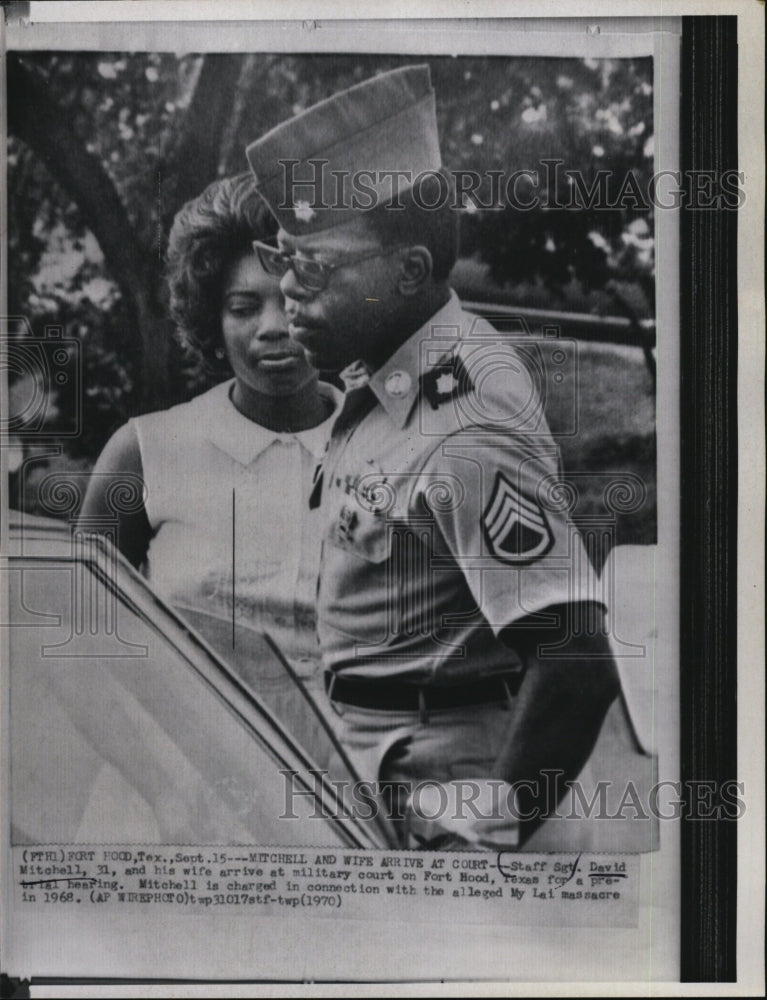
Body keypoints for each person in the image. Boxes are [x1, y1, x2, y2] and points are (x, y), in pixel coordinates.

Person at [245, 65, 621, 849]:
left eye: (312, 269)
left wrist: (484, 841)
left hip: (450, 784)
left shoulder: (463, 427)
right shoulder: (385, 373)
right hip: (381, 757)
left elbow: (575, 661)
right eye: (279, 257)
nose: (286, 295)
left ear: (409, 270)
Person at [78, 173, 342, 757]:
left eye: (296, 299)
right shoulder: (144, 453)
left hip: (348, 811)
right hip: (175, 798)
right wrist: (158, 788)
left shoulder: (391, 446)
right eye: (244, 306)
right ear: (212, 322)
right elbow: (86, 651)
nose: (274, 327)